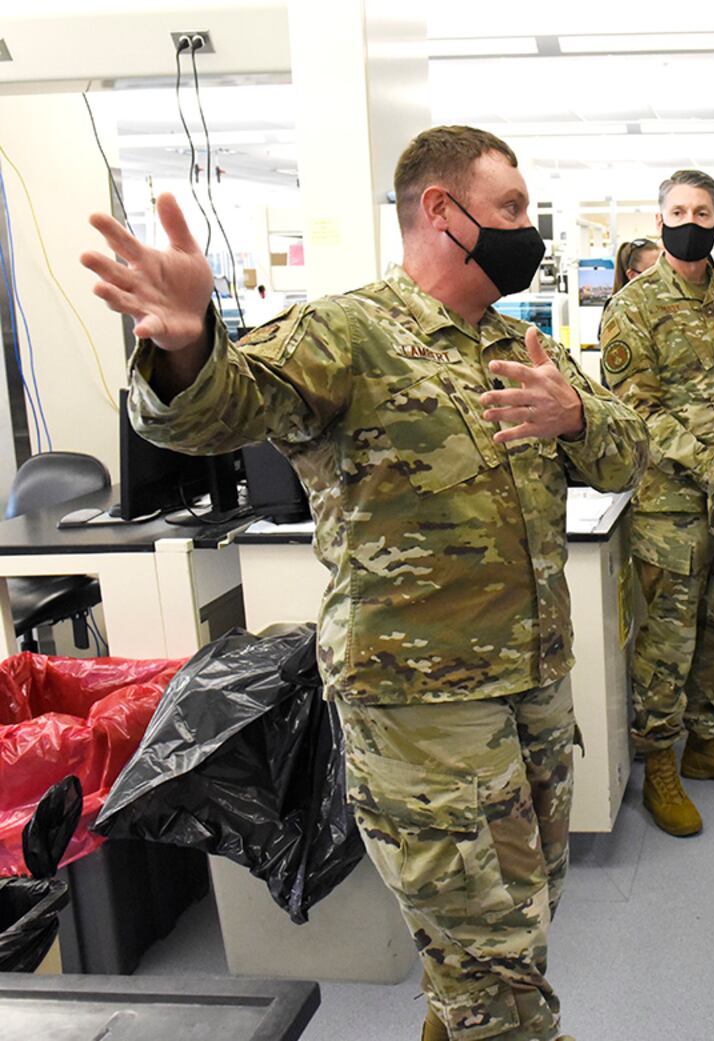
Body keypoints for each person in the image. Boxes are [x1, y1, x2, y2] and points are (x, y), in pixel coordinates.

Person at [80, 125, 648, 1041]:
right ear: (441, 211)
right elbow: (222, 406)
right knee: (491, 949)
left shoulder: (516, 342)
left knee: (523, 911)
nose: (527, 229)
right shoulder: (349, 334)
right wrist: (188, 346)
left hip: (533, 687)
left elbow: (627, 457)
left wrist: (577, 414)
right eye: (510, 209)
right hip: (418, 708)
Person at [601, 169, 714, 838]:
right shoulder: (634, 307)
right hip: (672, 506)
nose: (690, 218)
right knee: (667, 640)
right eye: (677, 209)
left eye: (701, 210)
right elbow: (636, 409)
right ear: (660, 221)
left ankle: (707, 742)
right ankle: (660, 764)